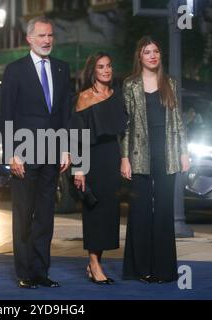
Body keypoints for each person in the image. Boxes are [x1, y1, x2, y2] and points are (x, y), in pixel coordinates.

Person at [0, 16, 72, 289]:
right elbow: (6, 113)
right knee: (23, 214)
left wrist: (66, 148)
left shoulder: (63, 69)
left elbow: (66, 113)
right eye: (41, 36)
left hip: (53, 154)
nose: (47, 40)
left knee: (45, 216)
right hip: (24, 155)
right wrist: (11, 153)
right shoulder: (15, 70)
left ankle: (41, 271)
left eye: (50, 35)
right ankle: (25, 273)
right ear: (29, 39)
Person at [120, 36, 190, 283]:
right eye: (147, 51)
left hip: (167, 152)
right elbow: (126, 125)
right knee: (139, 211)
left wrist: (183, 152)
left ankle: (164, 270)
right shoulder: (130, 85)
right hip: (139, 152)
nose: (152, 55)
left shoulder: (169, 82)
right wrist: (125, 157)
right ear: (139, 56)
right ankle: (139, 269)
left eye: (156, 51)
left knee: (163, 211)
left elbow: (178, 122)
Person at [72, 52, 127, 285]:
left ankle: (95, 261)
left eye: (109, 66)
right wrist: (79, 168)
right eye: (101, 67)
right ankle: (94, 263)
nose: (106, 70)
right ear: (92, 71)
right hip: (91, 159)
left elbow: (123, 132)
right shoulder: (84, 97)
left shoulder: (117, 96)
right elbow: (77, 137)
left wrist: (125, 159)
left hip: (111, 158)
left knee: (108, 212)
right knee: (93, 210)